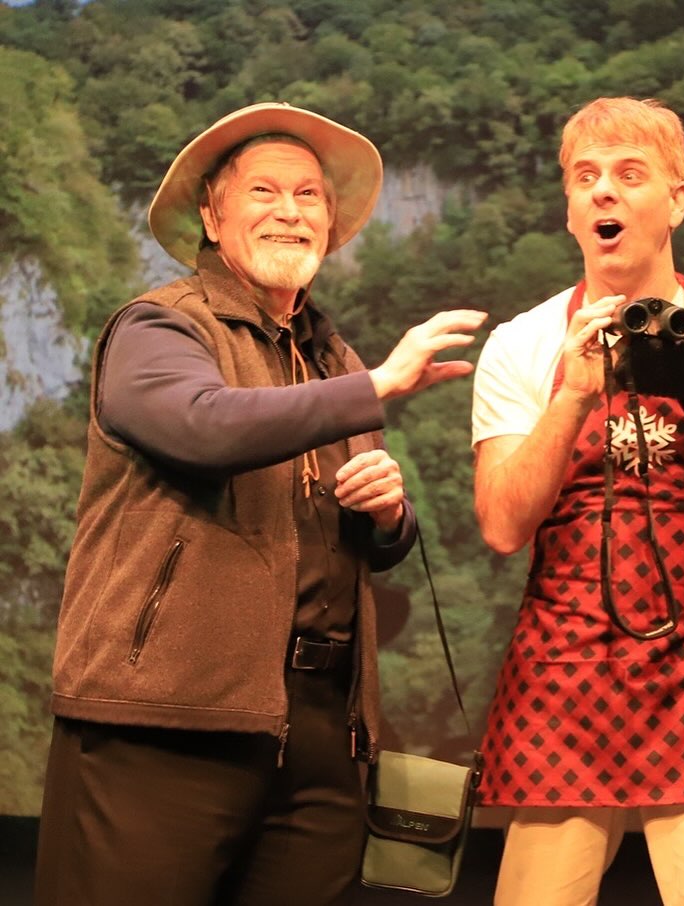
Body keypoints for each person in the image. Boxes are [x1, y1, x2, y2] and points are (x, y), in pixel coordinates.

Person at [34, 101, 487, 906]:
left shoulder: (332, 357)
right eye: (264, 192)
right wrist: (381, 384)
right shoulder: (159, 326)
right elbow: (203, 427)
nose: (290, 211)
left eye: (309, 195)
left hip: (319, 729)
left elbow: (361, 538)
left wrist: (388, 516)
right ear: (212, 217)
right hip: (169, 717)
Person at [471, 96, 684, 905]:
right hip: (562, 671)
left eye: (631, 175)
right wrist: (571, 394)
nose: (604, 191)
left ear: (677, 199)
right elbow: (502, 524)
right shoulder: (522, 343)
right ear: (569, 209)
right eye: (585, 177)